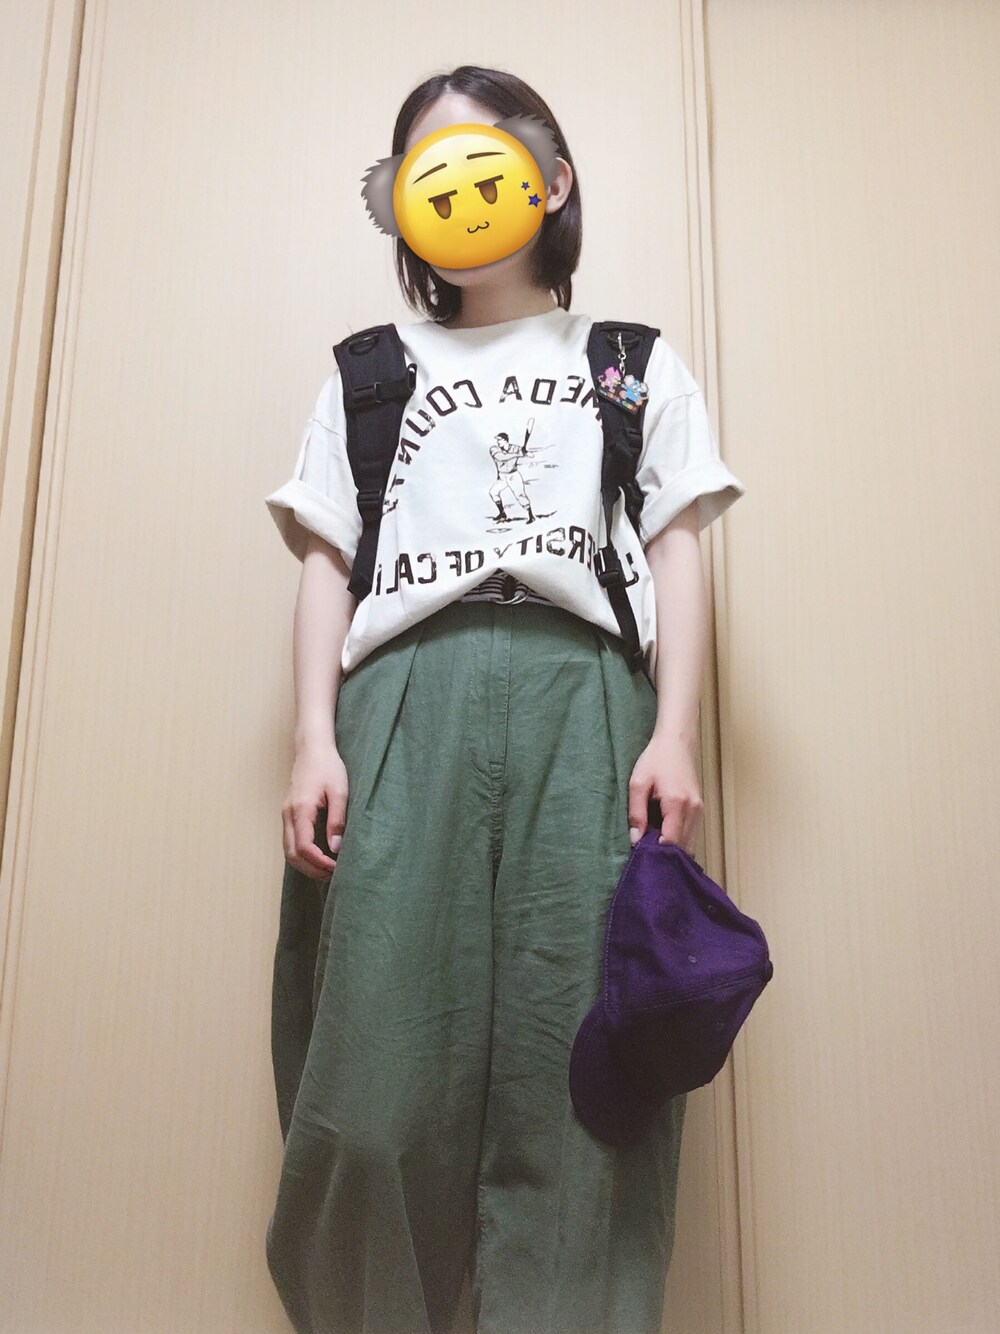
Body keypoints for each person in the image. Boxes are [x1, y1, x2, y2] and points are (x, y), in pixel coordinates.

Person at [263, 64, 745, 1334]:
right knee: (371, 1078)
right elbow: (326, 559)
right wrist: (313, 736)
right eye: (424, 172)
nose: (454, 191)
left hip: (585, 702)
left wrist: (674, 731)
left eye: (479, 160)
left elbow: (676, 545)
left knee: (581, 1069)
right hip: (402, 701)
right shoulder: (369, 373)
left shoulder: (629, 363)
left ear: (550, 179)